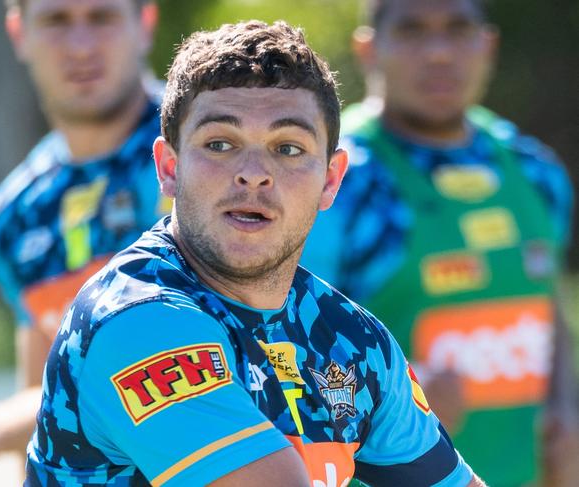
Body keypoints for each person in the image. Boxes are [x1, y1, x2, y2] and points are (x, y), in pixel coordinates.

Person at [24, 20, 486, 486]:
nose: (253, 173)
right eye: (220, 144)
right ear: (169, 167)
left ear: (331, 179)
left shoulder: (357, 343)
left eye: (287, 148)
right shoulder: (137, 318)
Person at [301, 0, 579, 485]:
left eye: (457, 30)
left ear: (487, 45)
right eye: (412, 31)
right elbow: (280, 346)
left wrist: (567, 407)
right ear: (368, 50)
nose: (438, 53)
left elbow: (546, 303)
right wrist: (390, 408)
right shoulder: (332, 182)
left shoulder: (535, 173)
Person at [0, 0, 164, 472]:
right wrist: (14, 429)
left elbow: (203, 357)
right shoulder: (17, 213)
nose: (80, 47)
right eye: (57, 20)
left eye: (101, 18)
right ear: (18, 33)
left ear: (145, 24)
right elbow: (41, 417)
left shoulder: (212, 154)